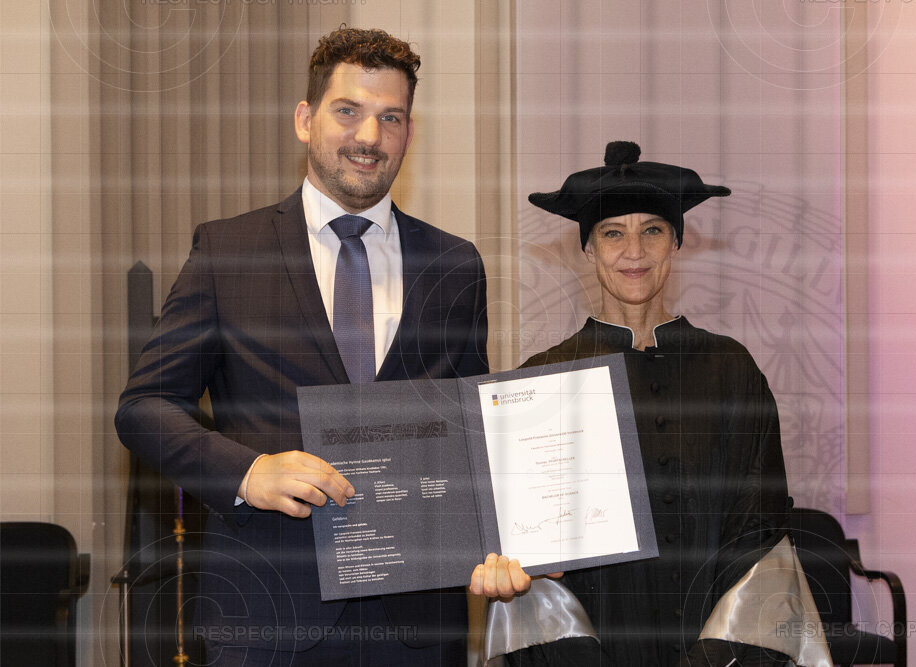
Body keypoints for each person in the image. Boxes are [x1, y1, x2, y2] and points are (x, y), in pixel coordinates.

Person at [115, 28, 488, 666]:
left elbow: (472, 428)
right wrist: (247, 473)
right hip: (268, 617)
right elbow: (143, 408)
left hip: (419, 624)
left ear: (409, 132)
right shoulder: (229, 254)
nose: (369, 136)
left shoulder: (454, 264)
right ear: (305, 119)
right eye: (347, 111)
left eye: (390, 117)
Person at [470, 141, 831, 666]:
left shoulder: (731, 370)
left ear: (676, 243)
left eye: (653, 231)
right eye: (613, 233)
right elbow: (532, 553)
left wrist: (711, 658)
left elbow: (758, 529)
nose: (634, 252)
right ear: (588, 249)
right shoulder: (542, 380)